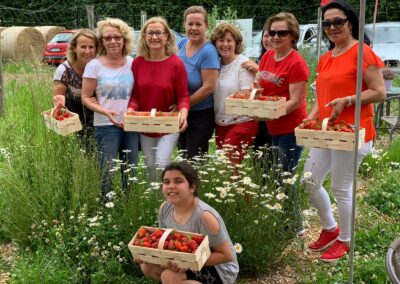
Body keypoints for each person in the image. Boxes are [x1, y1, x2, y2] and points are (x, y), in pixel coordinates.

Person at [303, 0, 386, 262]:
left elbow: (380, 92)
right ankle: (330, 228)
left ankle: (346, 240)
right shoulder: (327, 57)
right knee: (309, 181)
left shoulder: (363, 52)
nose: (332, 27)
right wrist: (312, 116)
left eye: (338, 21)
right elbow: (321, 94)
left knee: (341, 187)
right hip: (327, 131)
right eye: (327, 23)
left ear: (351, 22)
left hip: (353, 131)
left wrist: (348, 101)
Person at [253, 12, 309, 236]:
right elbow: (260, 79)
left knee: (286, 176)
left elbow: (295, 102)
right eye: (272, 32)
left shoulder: (297, 63)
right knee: (275, 174)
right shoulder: (268, 56)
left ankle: (294, 225)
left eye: (281, 33)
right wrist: (256, 91)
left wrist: (269, 114)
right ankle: (282, 218)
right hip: (272, 124)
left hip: (290, 128)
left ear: (293, 35)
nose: (275, 37)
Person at [138, 161, 239, 284]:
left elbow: (227, 256)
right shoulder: (165, 208)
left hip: (219, 268)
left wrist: (188, 263)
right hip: (184, 258)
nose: (171, 186)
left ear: (192, 187)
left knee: (170, 277)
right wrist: (146, 254)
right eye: (166, 182)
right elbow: (165, 244)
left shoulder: (204, 216)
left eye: (178, 181)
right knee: (147, 266)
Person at [82, 18, 139, 200]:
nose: (113, 41)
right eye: (107, 38)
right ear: (102, 41)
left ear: (124, 39)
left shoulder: (133, 63)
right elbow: (86, 97)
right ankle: (106, 209)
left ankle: (129, 207)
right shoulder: (94, 66)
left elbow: (139, 94)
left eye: (117, 37)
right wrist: (104, 111)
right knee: (106, 171)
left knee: (131, 170)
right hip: (105, 126)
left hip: (131, 125)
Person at [127, 17, 190, 181]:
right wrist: (131, 109)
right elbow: (135, 95)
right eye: (151, 33)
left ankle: (166, 201)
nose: (154, 37)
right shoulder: (137, 63)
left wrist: (183, 112)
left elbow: (183, 96)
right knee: (149, 165)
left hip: (168, 123)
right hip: (145, 123)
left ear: (167, 36)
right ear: (144, 37)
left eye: (159, 33)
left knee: (162, 164)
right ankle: (153, 201)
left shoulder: (176, 63)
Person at [210, 22, 258, 164]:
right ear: (215, 43)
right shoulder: (215, 64)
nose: (225, 44)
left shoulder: (243, 64)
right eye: (221, 40)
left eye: (229, 40)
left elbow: (245, 95)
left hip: (242, 121)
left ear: (236, 43)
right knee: (228, 169)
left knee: (228, 164)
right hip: (220, 123)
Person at [177, 6, 220, 159]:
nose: (193, 28)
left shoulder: (208, 51)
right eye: (190, 24)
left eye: (198, 24)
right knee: (183, 155)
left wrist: (183, 105)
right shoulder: (182, 43)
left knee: (194, 159)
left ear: (206, 26)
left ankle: (196, 184)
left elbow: (209, 87)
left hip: (200, 115)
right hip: (182, 112)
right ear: (184, 25)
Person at [52, 29, 98, 145]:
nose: (87, 51)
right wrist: (59, 101)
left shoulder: (100, 67)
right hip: (74, 116)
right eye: (83, 47)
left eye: (91, 47)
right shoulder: (64, 70)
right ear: (74, 48)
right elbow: (59, 97)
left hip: (97, 115)